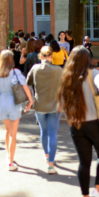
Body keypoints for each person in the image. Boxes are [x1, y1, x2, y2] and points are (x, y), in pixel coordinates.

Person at [57, 46, 99, 197]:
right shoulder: (93, 74)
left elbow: (61, 102)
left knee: (84, 162)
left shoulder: (66, 77)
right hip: (95, 123)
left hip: (76, 124)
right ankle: (98, 190)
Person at [0, 50, 33, 171]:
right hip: (14, 102)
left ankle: (8, 155)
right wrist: (31, 100)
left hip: (2, 101)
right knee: (14, 133)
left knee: (7, 130)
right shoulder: (16, 72)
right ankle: (11, 162)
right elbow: (25, 86)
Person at [26, 46, 63, 174]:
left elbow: (27, 83)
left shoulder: (35, 69)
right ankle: (51, 165)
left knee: (44, 131)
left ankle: (46, 155)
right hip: (54, 104)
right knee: (53, 134)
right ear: (52, 56)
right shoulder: (58, 70)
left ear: (40, 56)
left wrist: (31, 99)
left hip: (40, 104)